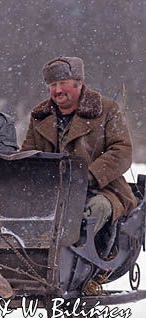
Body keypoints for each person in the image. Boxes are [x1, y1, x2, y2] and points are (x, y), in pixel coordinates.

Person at [21, 56, 137, 238]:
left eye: (63, 83)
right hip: (50, 193)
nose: (57, 90)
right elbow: (27, 155)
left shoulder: (106, 109)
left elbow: (122, 152)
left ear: (79, 83)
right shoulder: (40, 116)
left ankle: (79, 258)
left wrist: (86, 177)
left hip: (102, 190)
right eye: (52, 85)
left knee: (96, 209)